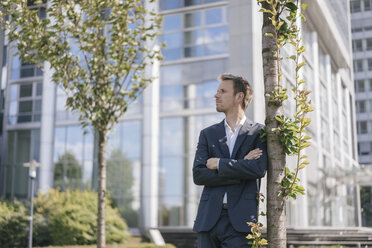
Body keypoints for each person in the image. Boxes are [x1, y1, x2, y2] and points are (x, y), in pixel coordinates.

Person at [192, 73, 267, 248]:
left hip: (241, 224)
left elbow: (257, 169)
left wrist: (219, 164)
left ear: (239, 97)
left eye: (222, 91)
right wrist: (242, 165)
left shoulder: (258, 133)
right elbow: (199, 175)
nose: (216, 95)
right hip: (208, 221)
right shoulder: (207, 134)